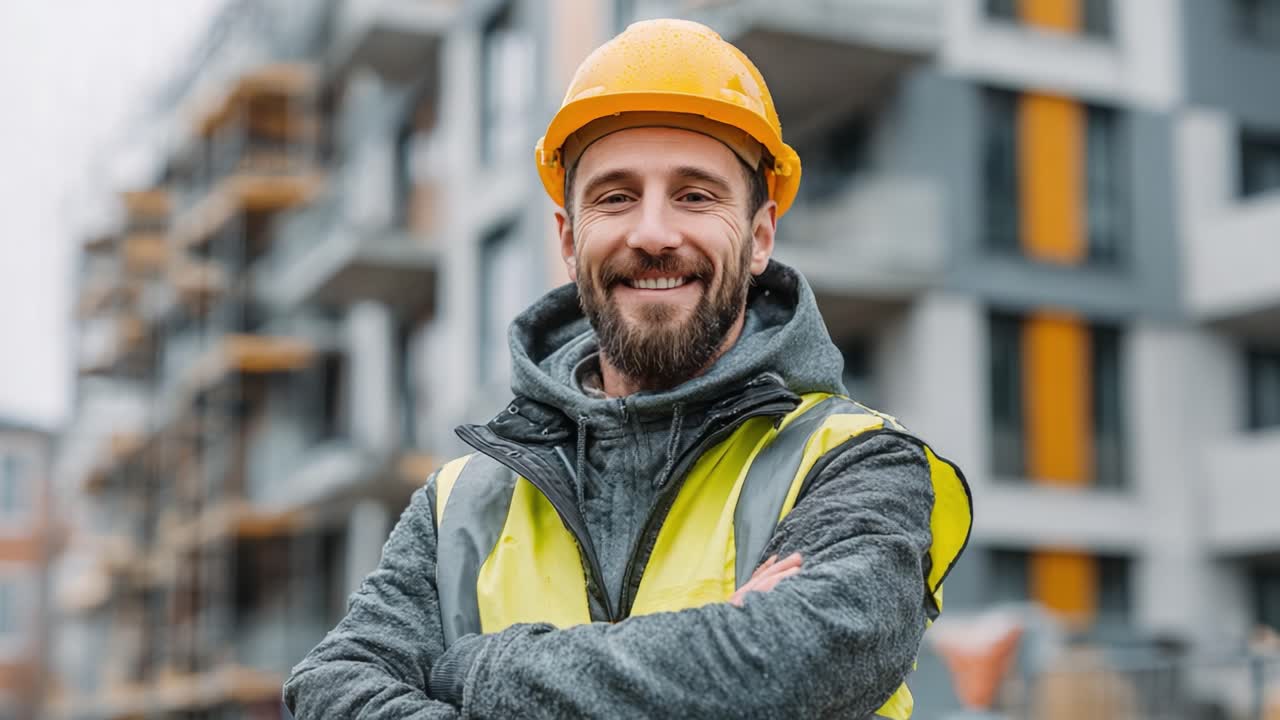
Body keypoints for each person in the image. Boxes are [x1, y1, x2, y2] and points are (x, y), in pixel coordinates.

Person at [284, 18, 972, 719]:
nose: (652, 234)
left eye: (695, 195)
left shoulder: (858, 466)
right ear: (568, 238)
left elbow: (795, 662)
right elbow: (329, 689)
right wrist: (710, 660)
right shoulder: (463, 504)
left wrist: (478, 669)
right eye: (615, 197)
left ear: (760, 235)